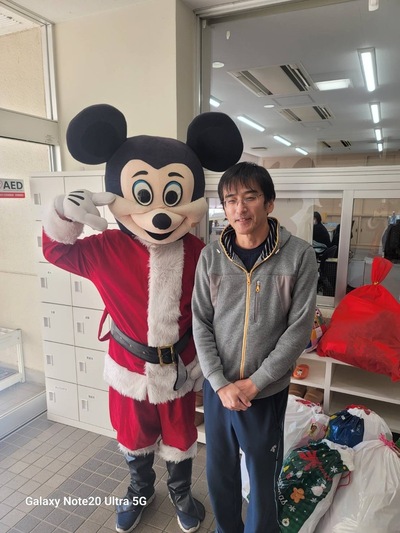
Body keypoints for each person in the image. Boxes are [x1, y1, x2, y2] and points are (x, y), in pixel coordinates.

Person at [42, 105, 243, 533]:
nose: (160, 214)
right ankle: (139, 490)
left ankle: (181, 493)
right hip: (128, 367)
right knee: (133, 439)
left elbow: (219, 307)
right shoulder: (105, 248)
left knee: (181, 439)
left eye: (172, 196)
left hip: (180, 368)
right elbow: (56, 250)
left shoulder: (200, 253)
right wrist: (62, 213)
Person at [192, 162, 318, 533]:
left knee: (263, 476)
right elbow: (200, 322)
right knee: (220, 472)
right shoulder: (210, 257)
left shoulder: (298, 255)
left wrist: (255, 383)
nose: (240, 208)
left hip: (264, 392)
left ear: (269, 203)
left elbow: (298, 330)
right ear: (223, 207)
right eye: (231, 200)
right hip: (219, 389)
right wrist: (219, 382)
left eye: (250, 197)